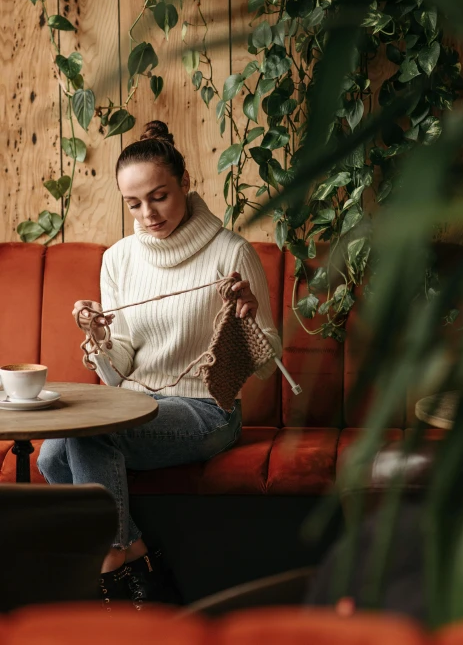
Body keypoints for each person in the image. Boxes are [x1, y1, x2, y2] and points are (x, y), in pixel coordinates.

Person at [37, 120, 282, 610]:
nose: (147, 214)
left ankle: (113, 561)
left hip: (206, 412)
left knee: (89, 434)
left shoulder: (230, 253)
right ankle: (136, 553)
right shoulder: (119, 259)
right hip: (135, 402)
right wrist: (101, 338)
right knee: (48, 457)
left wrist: (250, 314)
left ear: (185, 182)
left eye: (159, 197)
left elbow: (269, 363)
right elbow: (118, 368)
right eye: (133, 203)